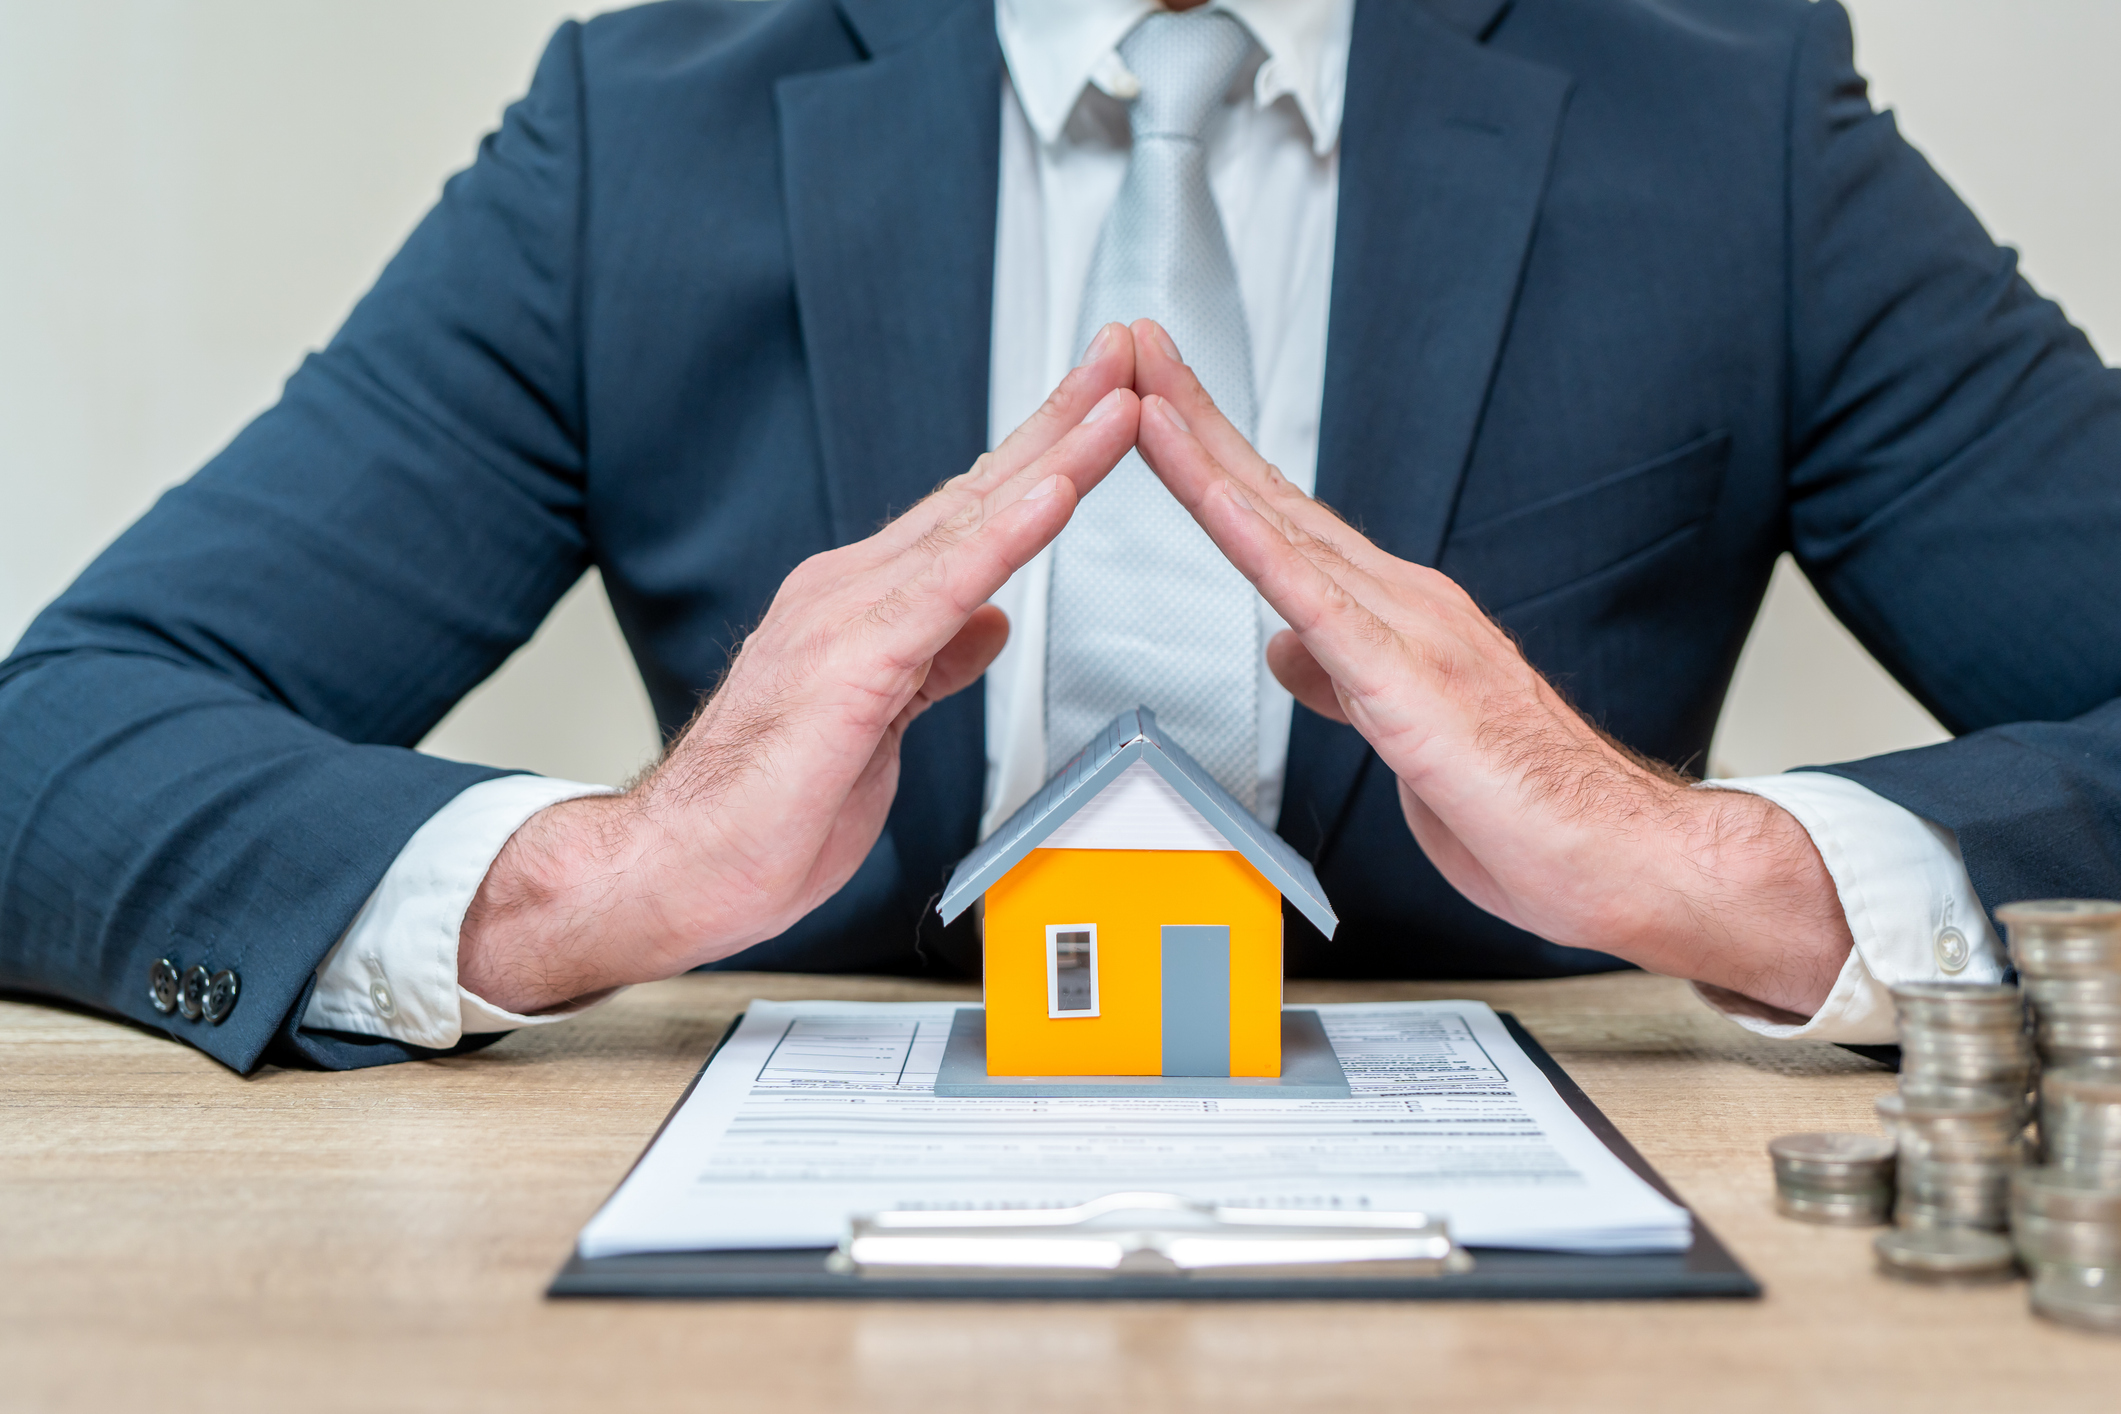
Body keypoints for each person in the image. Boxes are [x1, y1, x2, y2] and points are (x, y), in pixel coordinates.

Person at [3, 0, 2117, 1074]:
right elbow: (57, 744)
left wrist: (1712, 863)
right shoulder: (641, 127)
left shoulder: (1717, 111)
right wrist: (584, 878)